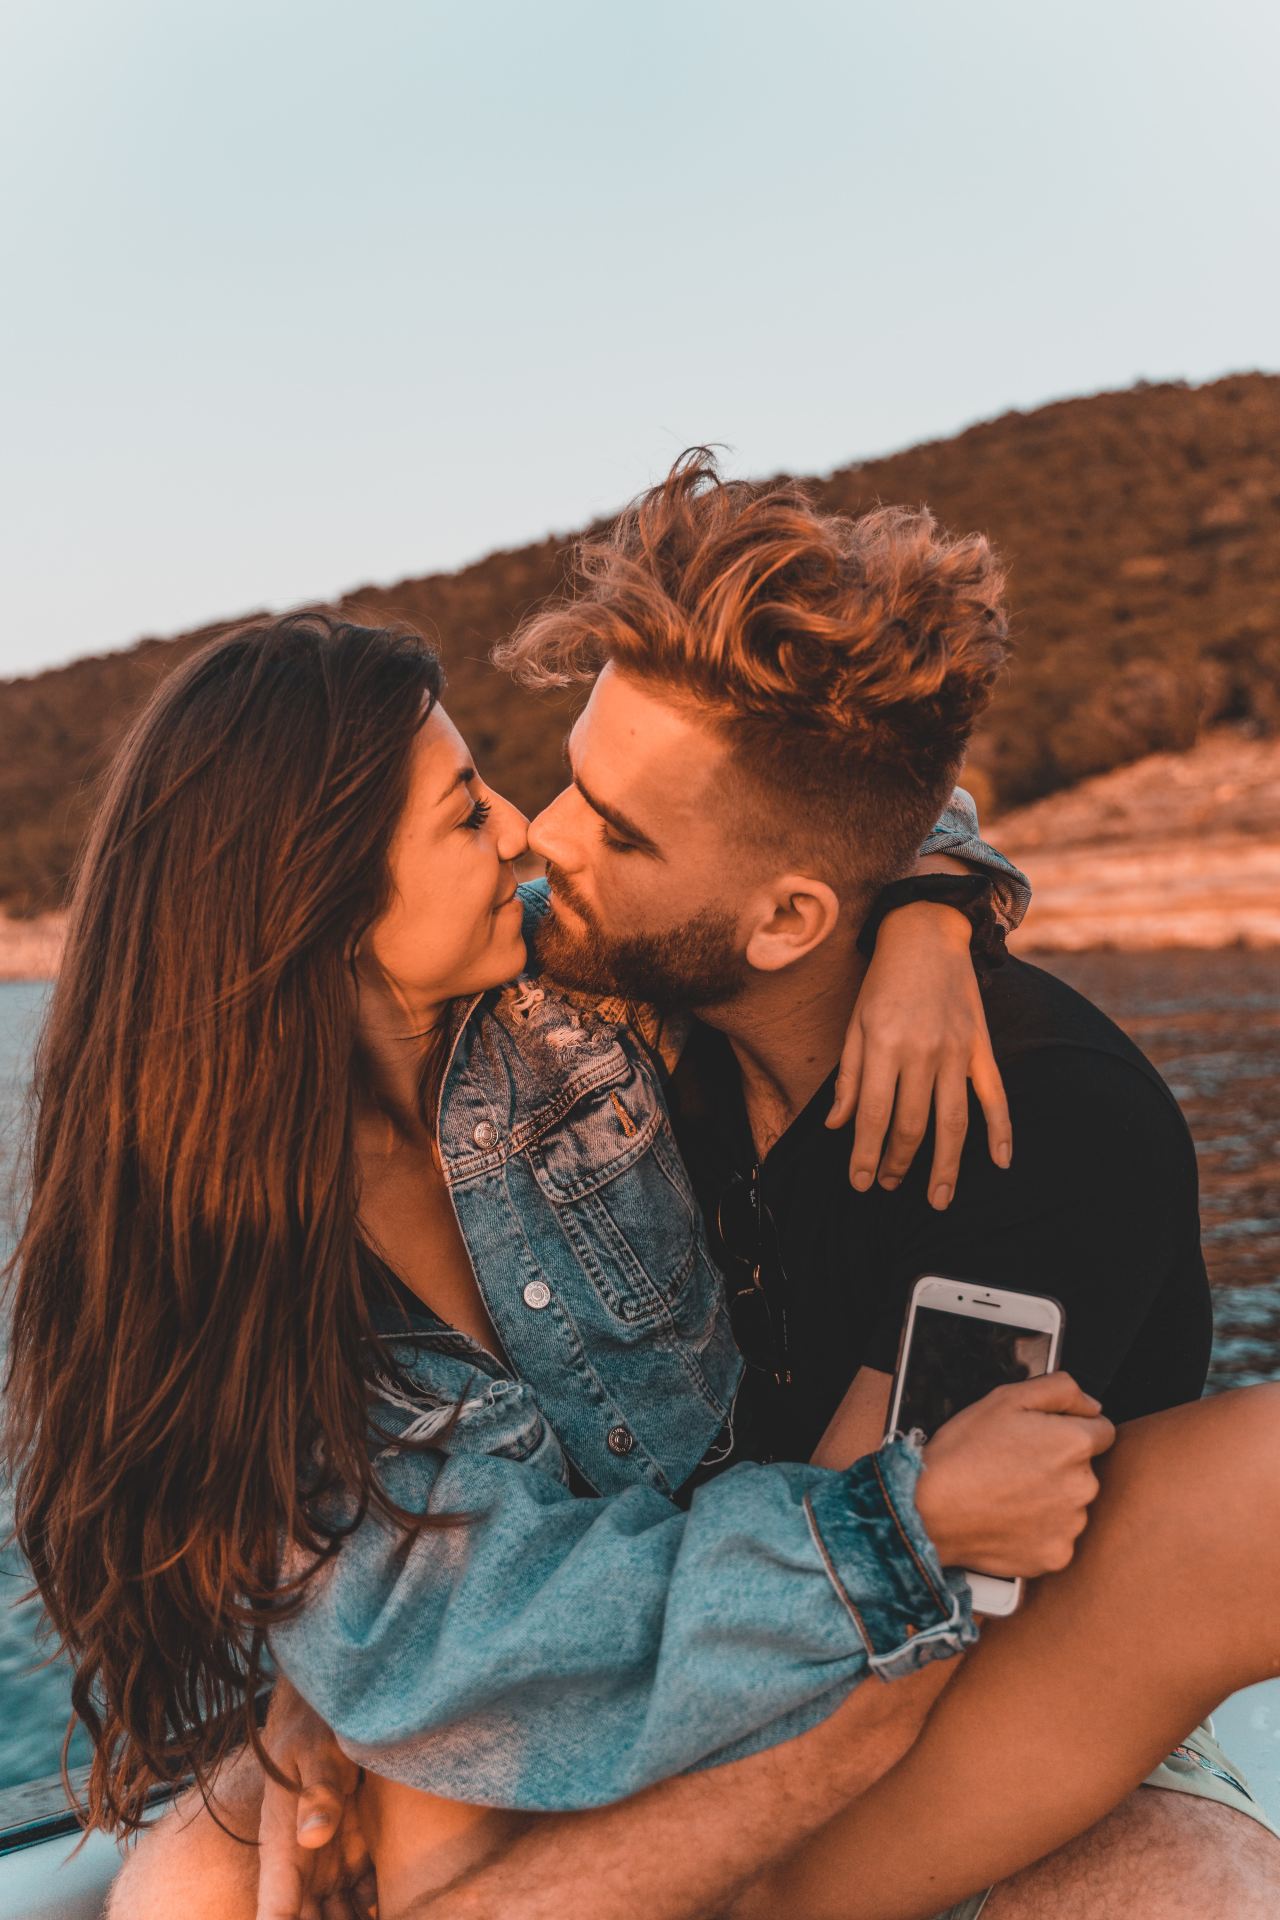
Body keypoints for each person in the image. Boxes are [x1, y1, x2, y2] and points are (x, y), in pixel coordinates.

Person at [246, 457, 1280, 1920]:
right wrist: (932, 893)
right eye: (568, 783)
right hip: (741, 1631)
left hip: (986, 1664)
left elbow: (883, 1623)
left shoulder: (1042, 1133)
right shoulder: (639, 1009)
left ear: (787, 919)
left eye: (614, 828)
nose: (544, 838)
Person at [1, 605, 1067, 1913]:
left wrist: (929, 916)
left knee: (388, 1812)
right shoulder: (237, 1285)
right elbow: (467, 1649)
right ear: (321, 907)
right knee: (198, 1889)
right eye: (464, 812)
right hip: (603, 1668)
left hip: (763, 1633)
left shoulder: (567, 1001)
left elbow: (808, 820)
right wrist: (900, 1526)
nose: (521, 829)